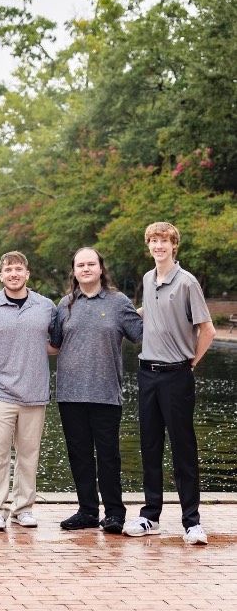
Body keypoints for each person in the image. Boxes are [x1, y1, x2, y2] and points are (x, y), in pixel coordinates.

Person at [125, 222, 216, 545]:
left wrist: (192, 360)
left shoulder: (187, 282)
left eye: (164, 241)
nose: (158, 246)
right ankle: (150, 516)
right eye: (153, 241)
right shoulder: (149, 279)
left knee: (183, 448)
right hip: (147, 374)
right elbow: (148, 311)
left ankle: (192, 522)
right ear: (147, 245)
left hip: (177, 374)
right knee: (150, 446)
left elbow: (208, 329)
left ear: (174, 245)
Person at [51, 247, 142, 535]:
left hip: (106, 393)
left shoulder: (118, 302)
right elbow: (53, 345)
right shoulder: (65, 305)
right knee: (78, 455)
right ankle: (87, 511)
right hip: (70, 394)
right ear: (74, 271)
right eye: (81, 265)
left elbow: (141, 334)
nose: (86, 268)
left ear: (101, 268)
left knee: (108, 457)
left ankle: (114, 513)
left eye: (91, 264)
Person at [0, 251, 57, 531]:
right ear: (1, 276)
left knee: (29, 454)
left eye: (19, 269)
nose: (14, 273)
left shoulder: (46, 306)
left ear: (27, 274)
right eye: (8, 269)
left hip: (35, 391)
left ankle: (23, 508)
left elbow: (56, 343)